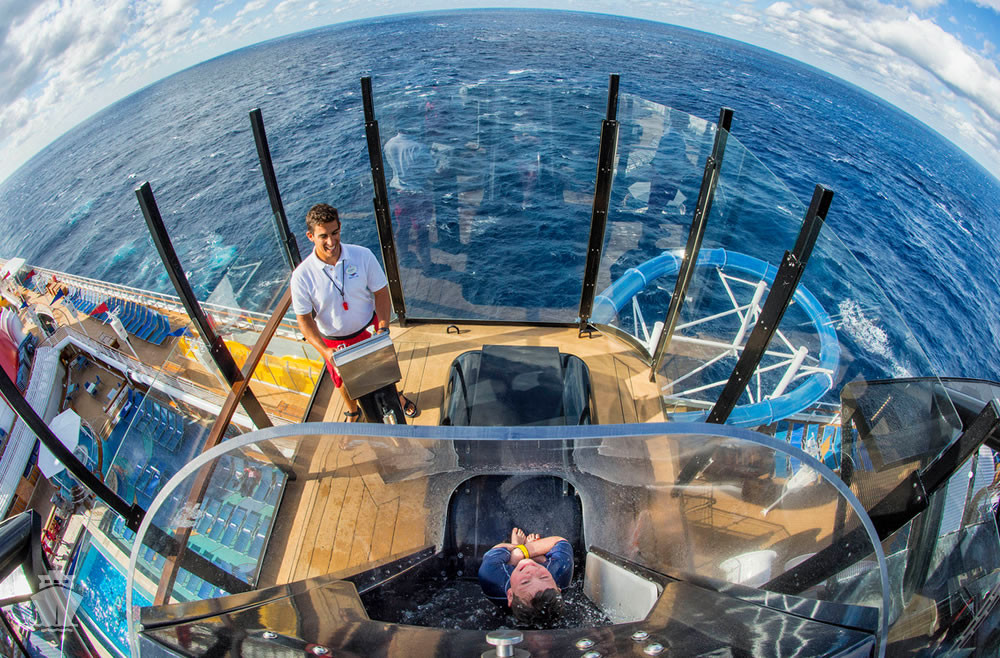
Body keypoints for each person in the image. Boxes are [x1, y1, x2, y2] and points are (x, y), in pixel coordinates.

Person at [290, 203, 417, 421]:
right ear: (310, 236)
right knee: (341, 382)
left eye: (334, 233)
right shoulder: (302, 276)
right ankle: (353, 411)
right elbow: (303, 321)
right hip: (334, 343)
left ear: (340, 227)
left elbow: (381, 293)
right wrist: (325, 351)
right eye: (323, 236)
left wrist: (383, 328)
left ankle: (397, 398)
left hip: (370, 330)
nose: (331, 242)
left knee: (384, 372)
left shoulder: (362, 255)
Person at [478, 527, 573, 627]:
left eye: (525, 582)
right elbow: (559, 541)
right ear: (558, 589)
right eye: (543, 577)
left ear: (510, 595)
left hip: (511, 574)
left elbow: (497, 549)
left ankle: (523, 552)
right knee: (533, 560)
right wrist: (527, 552)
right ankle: (535, 557)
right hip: (527, 572)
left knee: (514, 556)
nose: (532, 570)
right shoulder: (560, 574)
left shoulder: (492, 578)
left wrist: (518, 551)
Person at [384, 129, 436, 267]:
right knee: (421, 230)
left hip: (398, 193)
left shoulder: (389, 144)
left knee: (402, 226)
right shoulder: (419, 147)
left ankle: (403, 258)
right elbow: (431, 170)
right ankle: (427, 264)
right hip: (418, 194)